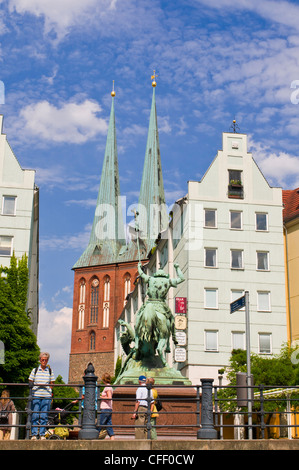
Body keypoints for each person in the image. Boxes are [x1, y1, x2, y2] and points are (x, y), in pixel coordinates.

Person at [28, 352, 55, 440]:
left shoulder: (50, 371)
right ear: (40, 360)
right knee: (35, 414)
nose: (44, 361)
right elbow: (30, 381)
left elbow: (52, 383)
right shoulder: (35, 370)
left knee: (44, 415)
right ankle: (35, 434)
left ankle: (42, 434)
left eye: (46, 360)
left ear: (47, 361)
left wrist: (50, 392)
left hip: (46, 396)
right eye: (42, 360)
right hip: (36, 395)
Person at [132, 375, 153, 439]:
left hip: (141, 408)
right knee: (147, 427)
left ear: (139, 381)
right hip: (148, 408)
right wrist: (151, 411)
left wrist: (135, 411)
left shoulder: (140, 388)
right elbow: (152, 402)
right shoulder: (149, 389)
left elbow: (138, 401)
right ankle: (147, 442)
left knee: (139, 427)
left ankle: (139, 443)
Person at [98, 373, 114, 440]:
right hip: (109, 408)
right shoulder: (109, 387)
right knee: (108, 424)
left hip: (105, 408)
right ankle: (112, 437)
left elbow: (109, 397)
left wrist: (101, 397)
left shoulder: (107, 387)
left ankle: (95, 436)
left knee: (100, 423)